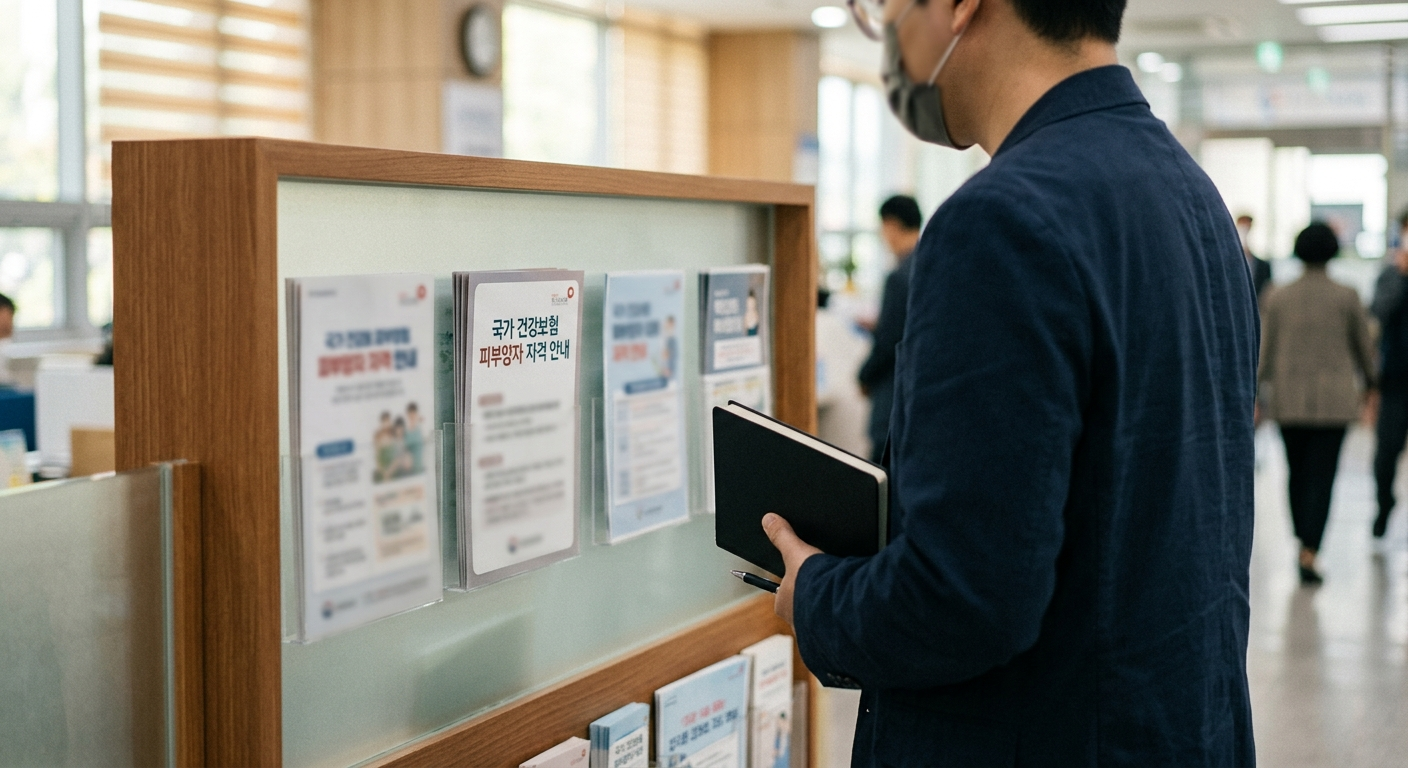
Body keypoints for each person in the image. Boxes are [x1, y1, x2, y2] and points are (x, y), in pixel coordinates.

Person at [760, 0, 1259, 764]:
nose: (885, 27)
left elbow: (961, 598)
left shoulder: (1001, 220)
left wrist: (817, 593)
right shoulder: (1190, 193)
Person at [1259, 223, 1377, 584]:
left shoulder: (1278, 295)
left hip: (1289, 401)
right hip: (1334, 403)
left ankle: (1302, 539)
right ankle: (1311, 548)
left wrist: (1256, 393)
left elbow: (1265, 350)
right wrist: (1371, 383)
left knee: (1297, 473)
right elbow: (1364, 346)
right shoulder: (1347, 295)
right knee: (1323, 477)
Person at [858, 195, 922, 463]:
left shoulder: (898, 277)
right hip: (919, 391)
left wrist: (864, 376)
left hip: (893, 390)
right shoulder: (931, 263)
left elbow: (888, 342)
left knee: (881, 466)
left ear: (892, 225)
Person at [1371, 211, 1408, 541]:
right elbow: (1377, 313)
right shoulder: (1390, 275)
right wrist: (1400, 275)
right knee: (1385, 454)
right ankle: (1384, 503)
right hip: (1396, 381)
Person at [1237, 214, 1274, 301]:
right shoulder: (1228, 263)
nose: (1245, 231)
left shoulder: (1263, 265)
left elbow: (1267, 289)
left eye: (1247, 227)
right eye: (1242, 227)